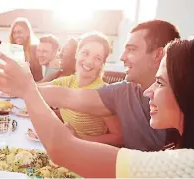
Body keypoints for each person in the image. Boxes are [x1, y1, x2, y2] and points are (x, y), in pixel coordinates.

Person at [0, 39, 194, 178]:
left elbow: (63, 150)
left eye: (159, 82)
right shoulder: (177, 148)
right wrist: (22, 87)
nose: (148, 92)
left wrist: (27, 88)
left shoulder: (185, 165)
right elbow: (64, 96)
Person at [37, 20, 180, 151]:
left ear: (157, 55)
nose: (122, 57)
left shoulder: (183, 100)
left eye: (131, 49)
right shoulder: (123, 90)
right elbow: (66, 96)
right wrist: (22, 86)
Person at [39, 32, 123, 146]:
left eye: (97, 58)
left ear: (102, 64)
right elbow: (35, 89)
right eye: (85, 53)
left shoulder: (103, 93)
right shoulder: (68, 81)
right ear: (77, 54)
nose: (89, 61)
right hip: (67, 145)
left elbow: (118, 138)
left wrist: (79, 138)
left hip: (90, 153)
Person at [9, 17, 42, 81]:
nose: (17, 35)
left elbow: (38, 75)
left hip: (33, 87)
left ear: (27, 33)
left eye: (20, 32)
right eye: (14, 33)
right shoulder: (10, 51)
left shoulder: (35, 49)